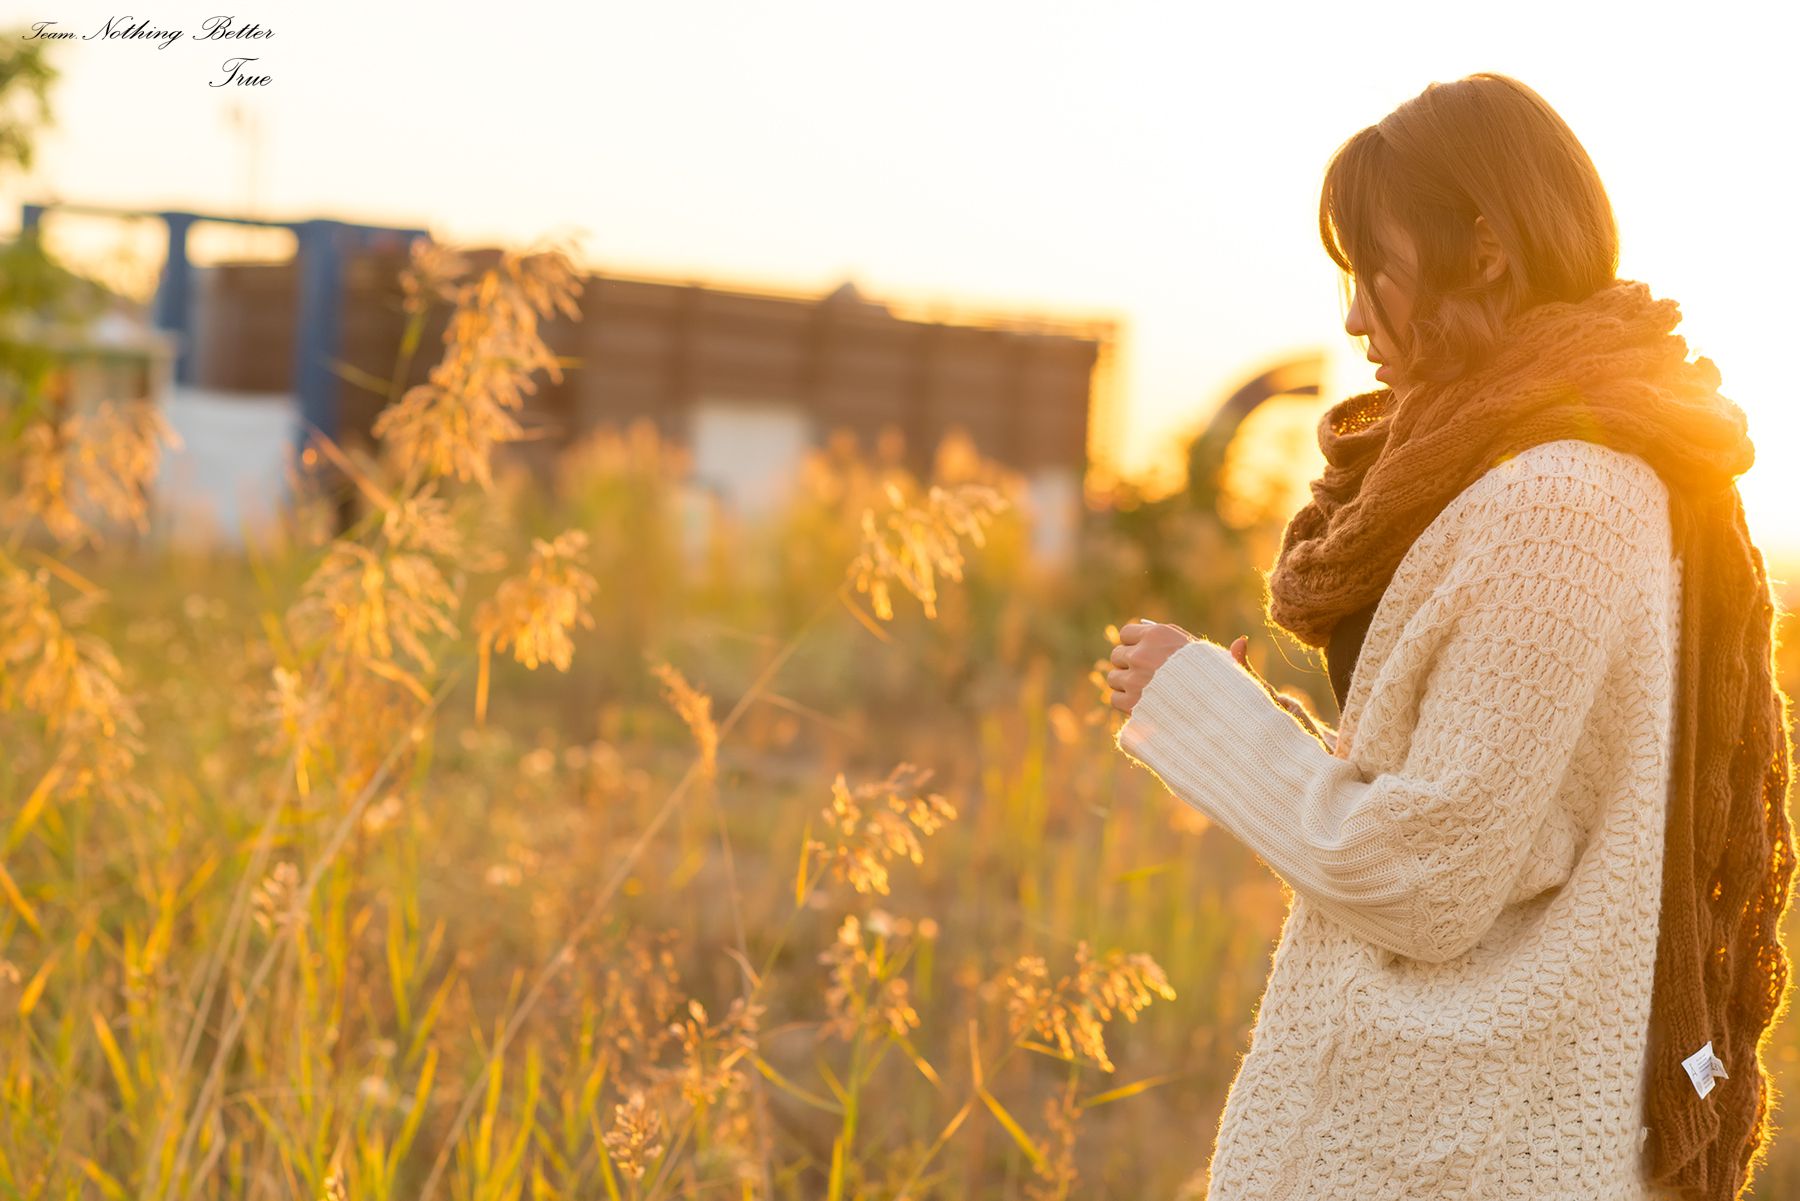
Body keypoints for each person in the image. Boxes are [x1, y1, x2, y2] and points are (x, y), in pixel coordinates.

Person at [1105, 72, 1795, 1201]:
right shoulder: (1550, 471)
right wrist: (1255, 728)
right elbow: (1507, 819)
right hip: (1465, 1130)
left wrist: (1211, 722)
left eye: (1370, 263)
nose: (1351, 315)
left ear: (1481, 249)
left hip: (1456, 1145)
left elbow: (1431, 875)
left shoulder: (1559, 497)